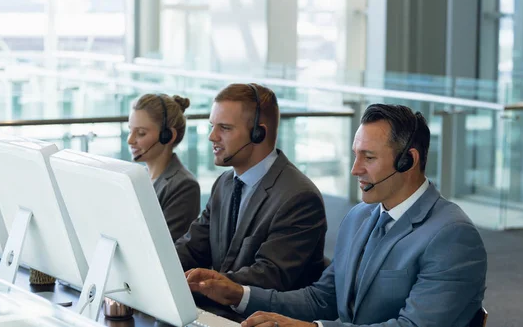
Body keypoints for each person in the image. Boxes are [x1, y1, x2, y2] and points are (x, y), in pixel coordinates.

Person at [185, 104, 488, 327]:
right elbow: (322, 299)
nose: (355, 169)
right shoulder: (360, 217)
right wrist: (238, 294)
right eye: (356, 155)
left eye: (368, 158)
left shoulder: (452, 236)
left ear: (408, 161)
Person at [175, 83, 327, 292]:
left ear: (258, 134)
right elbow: (192, 247)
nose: (212, 136)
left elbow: (268, 277)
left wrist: (201, 286)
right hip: (218, 313)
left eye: (225, 128)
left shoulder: (298, 197)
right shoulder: (224, 184)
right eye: (212, 126)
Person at [127, 93, 200, 242]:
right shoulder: (140, 178)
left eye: (141, 133)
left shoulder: (183, 185)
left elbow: (164, 247)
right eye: (130, 130)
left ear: (167, 136)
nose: (130, 140)